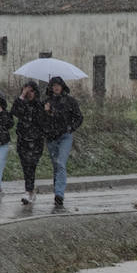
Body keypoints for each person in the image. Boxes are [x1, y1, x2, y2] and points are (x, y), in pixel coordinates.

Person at [41, 75, 83, 208]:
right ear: (51, 87)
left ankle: (59, 194)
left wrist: (71, 127)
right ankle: (57, 193)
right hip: (51, 138)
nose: (56, 87)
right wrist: (46, 113)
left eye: (58, 85)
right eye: (53, 85)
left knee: (60, 163)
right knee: (56, 166)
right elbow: (42, 121)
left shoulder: (70, 101)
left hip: (65, 136)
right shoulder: (46, 102)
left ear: (62, 86)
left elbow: (79, 117)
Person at [10, 79, 45, 205]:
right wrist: (21, 96)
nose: (29, 93)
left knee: (32, 165)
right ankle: (29, 191)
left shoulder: (40, 105)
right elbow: (14, 111)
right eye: (26, 91)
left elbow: (42, 121)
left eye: (31, 91)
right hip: (23, 140)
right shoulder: (21, 104)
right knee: (26, 166)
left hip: (36, 141)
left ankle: (28, 191)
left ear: (35, 92)